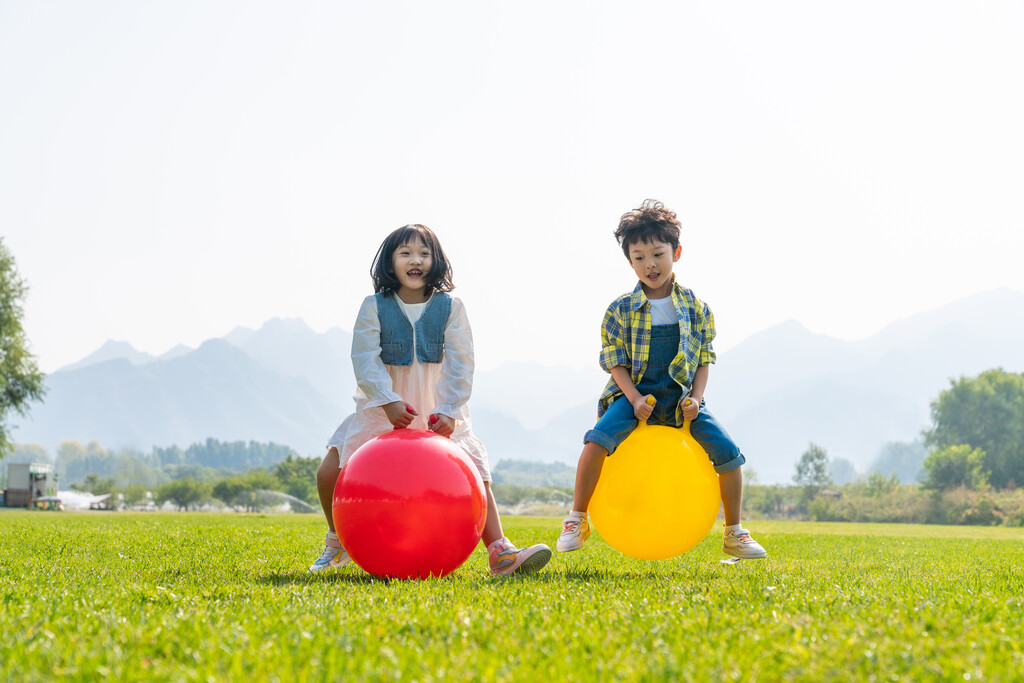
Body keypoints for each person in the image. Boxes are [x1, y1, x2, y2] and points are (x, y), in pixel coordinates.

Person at [310, 224, 552, 576]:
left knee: (472, 472)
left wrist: (450, 409)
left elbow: (461, 361)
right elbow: (364, 359)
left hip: (435, 406)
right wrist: (388, 401)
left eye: (424, 253)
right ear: (389, 262)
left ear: (436, 261)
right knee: (328, 472)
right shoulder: (373, 306)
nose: (416, 261)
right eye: (405, 253)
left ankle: (500, 552)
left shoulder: (450, 307)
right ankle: (338, 541)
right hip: (383, 407)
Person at [556, 200, 767, 561]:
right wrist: (635, 399)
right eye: (639, 257)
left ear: (676, 252)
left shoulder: (696, 308)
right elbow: (614, 362)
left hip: (682, 397)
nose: (649, 264)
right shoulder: (620, 309)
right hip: (633, 395)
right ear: (629, 262)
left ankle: (734, 531)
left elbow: (703, 359)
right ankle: (577, 518)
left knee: (730, 455)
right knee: (595, 442)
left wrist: (697, 400)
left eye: (657, 253)